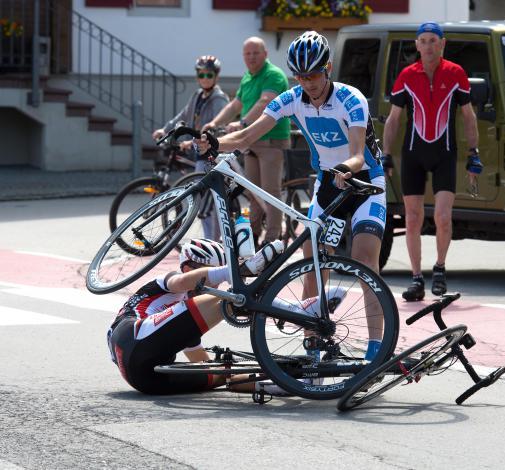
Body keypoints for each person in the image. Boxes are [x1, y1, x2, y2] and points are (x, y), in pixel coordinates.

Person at [197, 31, 387, 362]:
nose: (308, 82)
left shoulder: (351, 99)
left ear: (327, 68)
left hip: (365, 182)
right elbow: (247, 134)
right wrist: (214, 142)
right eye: (301, 76)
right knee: (312, 261)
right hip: (329, 185)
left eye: (313, 74)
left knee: (365, 262)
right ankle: (314, 342)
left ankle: (377, 349)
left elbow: (358, 154)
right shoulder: (291, 98)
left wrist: (347, 168)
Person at [107, 238, 287, 395]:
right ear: (187, 268)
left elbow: (203, 363)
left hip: (146, 380)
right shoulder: (168, 281)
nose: (216, 283)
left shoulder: (183, 322)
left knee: (220, 374)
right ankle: (292, 307)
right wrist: (235, 272)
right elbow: (183, 282)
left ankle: (281, 385)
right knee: (232, 298)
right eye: (212, 273)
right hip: (131, 335)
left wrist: (278, 375)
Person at [382, 22, 482, 301]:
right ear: (417, 45)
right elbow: (393, 119)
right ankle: (416, 279)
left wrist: (474, 153)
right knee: (412, 218)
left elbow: (468, 116)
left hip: (445, 153)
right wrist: (386, 154)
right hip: (413, 154)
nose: (428, 45)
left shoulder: (456, 73)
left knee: (443, 217)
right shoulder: (406, 75)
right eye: (423, 41)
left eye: (433, 40)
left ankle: (439, 268)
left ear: (442, 44)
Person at [204, 37, 291, 246]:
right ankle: (253, 234)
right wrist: (213, 123)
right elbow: (235, 104)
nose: (251, 57)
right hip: (251, 142)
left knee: (270, 193)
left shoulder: (273, 75)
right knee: (253, 192)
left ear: (265, 54)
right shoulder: (247, 77)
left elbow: (265, 102)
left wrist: (242, 123)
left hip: (271, 140)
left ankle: (272, 240)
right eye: (247, 53)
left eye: (256, 53)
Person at [152, 55, 229, 241]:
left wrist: (192, 142)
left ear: (216, 76)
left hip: (210, 155)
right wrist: (166, 129)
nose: (205, 78)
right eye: (201, 74)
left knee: (206, 202)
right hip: (199, 154)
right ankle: (211, 239)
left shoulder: (219, 100)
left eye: (209, 75)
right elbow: (183, 115)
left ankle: (213, 241)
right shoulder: (198, 96)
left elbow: (215, 131)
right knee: (201, 199)